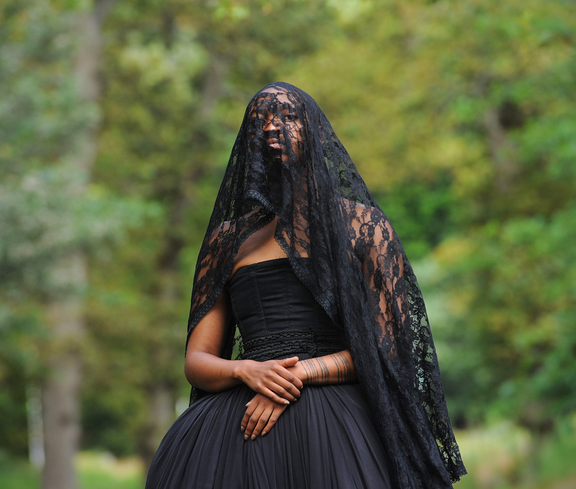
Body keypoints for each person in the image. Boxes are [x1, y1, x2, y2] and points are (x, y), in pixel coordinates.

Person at [145, 82, 466, 489]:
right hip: (232, 430)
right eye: (259, 122)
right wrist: (247, 370)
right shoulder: (228, 240)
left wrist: (296, 376)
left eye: (288, 117)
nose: (272, 128)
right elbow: (197, 362)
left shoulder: (363, 229)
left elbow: (389, 349)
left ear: (314, 131)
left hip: (339, 429)